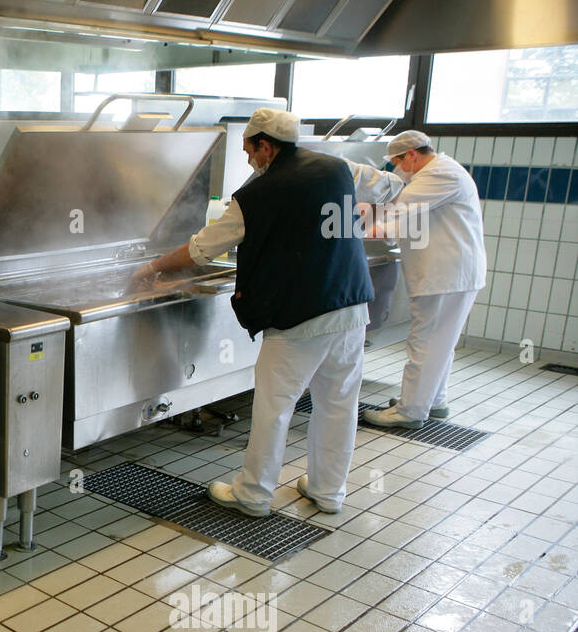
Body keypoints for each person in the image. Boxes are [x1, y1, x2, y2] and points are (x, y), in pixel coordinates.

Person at [130, 108, 373, 517]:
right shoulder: (337, 167)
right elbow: (385, 188)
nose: (247, 160)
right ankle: (329, 491)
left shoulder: (258, 194)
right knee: (339, 403)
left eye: (248, 150)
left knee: (274, 408)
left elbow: (199, 249)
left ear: (265, 145)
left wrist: (151, 268)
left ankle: (254, 493)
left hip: (300, 317)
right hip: (351, 305)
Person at [348, 130, 487, 428]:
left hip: (446, 275)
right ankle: (434, 402)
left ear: (411, 155)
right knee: (439, 341)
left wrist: (349, 229)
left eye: (396, 162)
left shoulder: (438, 175)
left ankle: (410, 411)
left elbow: (395, 211)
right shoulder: (439, 174)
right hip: (449, 274)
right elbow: (398, 214)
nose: (395, 169)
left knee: (426, 342)